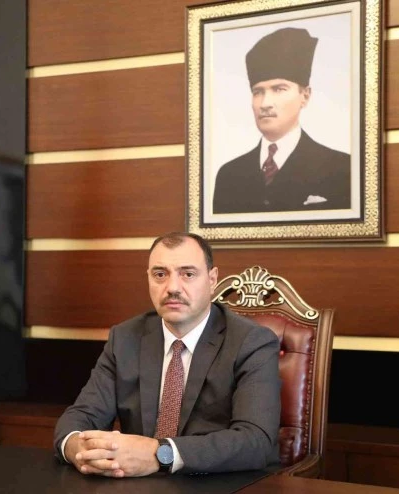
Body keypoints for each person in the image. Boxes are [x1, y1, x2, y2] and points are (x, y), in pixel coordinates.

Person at [54, 232, 281, 477]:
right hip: (137, 484)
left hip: (217, 484)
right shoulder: (126, 338)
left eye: (188, 274)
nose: (172, 288)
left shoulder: (251, 342)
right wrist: (78, 449)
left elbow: (255, 441)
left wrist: (160, 454)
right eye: (160, 274)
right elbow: (81, 416)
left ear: (212, 279)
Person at [213, 27, 351, 214]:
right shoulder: (229, 175)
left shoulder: (341, 168)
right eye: (257, 92)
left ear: (305, 96)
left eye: (279, 89)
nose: (265, 103)